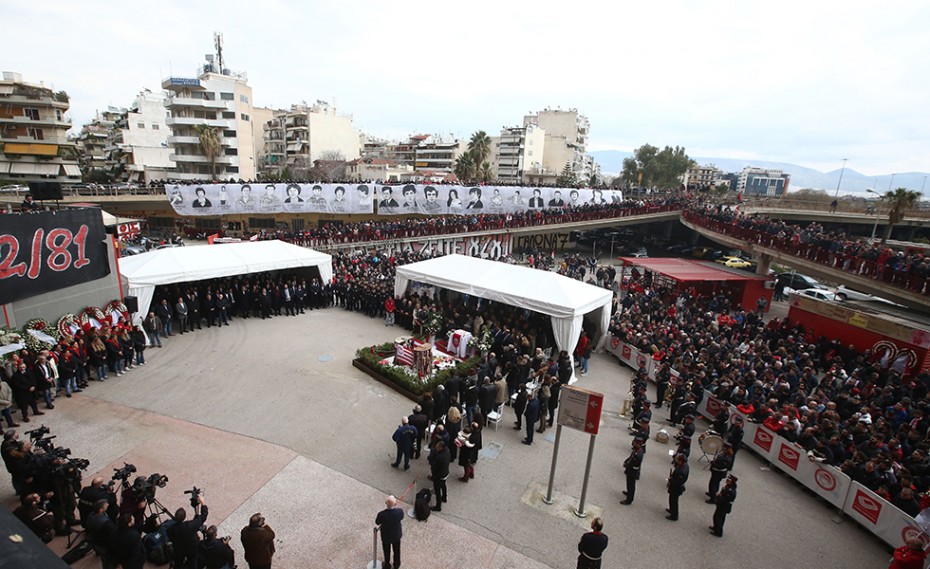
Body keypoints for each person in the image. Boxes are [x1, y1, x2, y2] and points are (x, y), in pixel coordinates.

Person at [169, 493, 208, 569]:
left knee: (178, 563)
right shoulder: (190, 526)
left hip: (178, 549)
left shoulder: (171, 528)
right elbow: (203, 516)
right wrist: (203, 503)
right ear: (184, 517)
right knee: (193, 562)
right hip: (192, 549)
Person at [85, 499, 117, 569]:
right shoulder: (105, 523)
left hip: (95, 539)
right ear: (101, 510)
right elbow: (114, 532)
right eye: (105, 505)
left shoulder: (91, 515)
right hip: (103, 544)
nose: (108, 505)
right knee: (107, 560)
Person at [375, 495, 404, 569]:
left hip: (386, 536)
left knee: (386, 551)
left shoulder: (381, 514)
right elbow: (402, 517)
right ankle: (396, 564)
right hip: (396, 535)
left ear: (386, 503)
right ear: (395, 504)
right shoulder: (399, 512)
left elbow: (377, 522)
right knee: (397, 551)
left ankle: (387, 565)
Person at [620, 438, 644, 505]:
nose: (633, 443)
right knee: (628, 483)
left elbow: (634, 463)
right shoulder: (636, 450)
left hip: (632, 471)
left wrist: (627, 465)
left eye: (635, 443)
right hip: (630, 470)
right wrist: (626, 461)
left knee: (631, 485)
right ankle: (628, 492)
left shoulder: (638, 454)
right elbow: (631, 457)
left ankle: (629, 500)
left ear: (638, 444)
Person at [428, 440, 450, 512]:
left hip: (438, 475)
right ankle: (444, 497)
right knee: (443, 485)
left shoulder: (439, 457)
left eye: (437, 447)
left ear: (440, 448)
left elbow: (434, 466)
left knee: (437, 491)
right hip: (445, 472)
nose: (436, 448)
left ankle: (438, 506)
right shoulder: (447, 451)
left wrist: (433, 471)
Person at [666, 453, 689, 521]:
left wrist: (670, 480)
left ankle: (674, 515)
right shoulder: (683, 465)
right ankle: (671, 509)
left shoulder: (682, 471)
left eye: (677, 459)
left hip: (676, 488)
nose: (675, 460)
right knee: (671, 499)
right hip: (675, 486)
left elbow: (677, 482)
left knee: (674, 501)